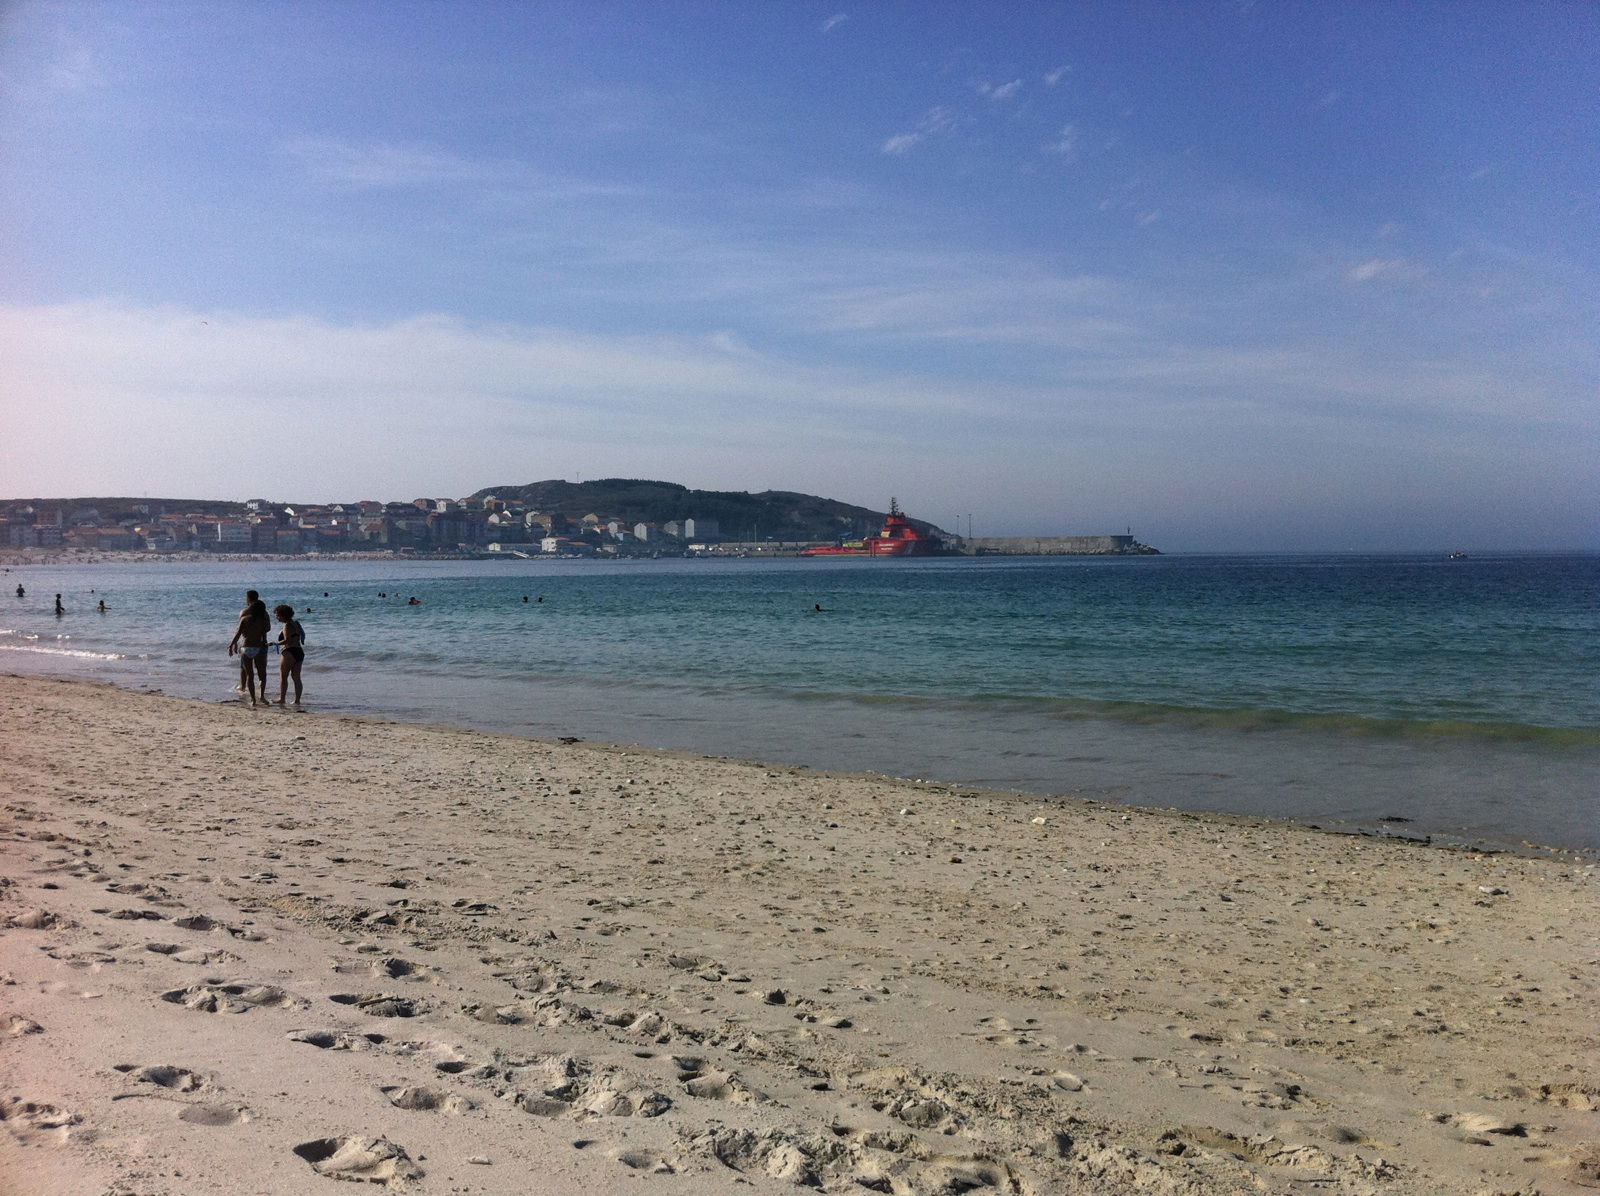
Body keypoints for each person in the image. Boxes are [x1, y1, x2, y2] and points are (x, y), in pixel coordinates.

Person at [228, 590, 272, 706]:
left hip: (246, 647)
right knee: (262, 673)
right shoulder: (264, 617)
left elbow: (238, 633)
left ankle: (252, 700)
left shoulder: (244, 616)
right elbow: (267, 629)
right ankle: (262, 696)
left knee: (249, 674)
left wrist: (232, 644)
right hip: (260, 647)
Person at [273, 604, 306, 706]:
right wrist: (302, 641)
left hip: (289, 652)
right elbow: (303, 636)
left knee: (284, 676)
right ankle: (297, 700)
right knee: (296, 677)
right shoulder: (296, 623)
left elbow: (287, 640)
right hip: (299, 651)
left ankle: (282, 699)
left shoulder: (286, 625)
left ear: (283, 615)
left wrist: (275, 643)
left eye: (277, 615)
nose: (276, 617)